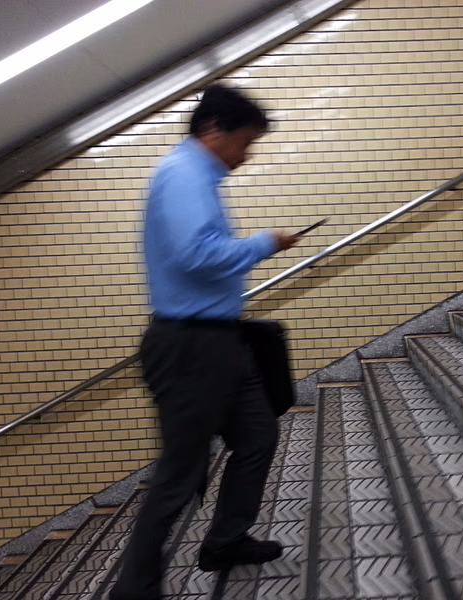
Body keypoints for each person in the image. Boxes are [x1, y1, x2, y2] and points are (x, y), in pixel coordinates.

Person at [110, 84, 301, 600]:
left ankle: (224, 541)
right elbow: (198, 254)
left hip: (220, 342)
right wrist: (266, 242)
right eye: (245, 142)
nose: (248, 154)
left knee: (258, 436)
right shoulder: (183, 174)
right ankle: (134, 589)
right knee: (181, 471)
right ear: (213, 129)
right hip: (190, 345)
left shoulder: (199, 177)